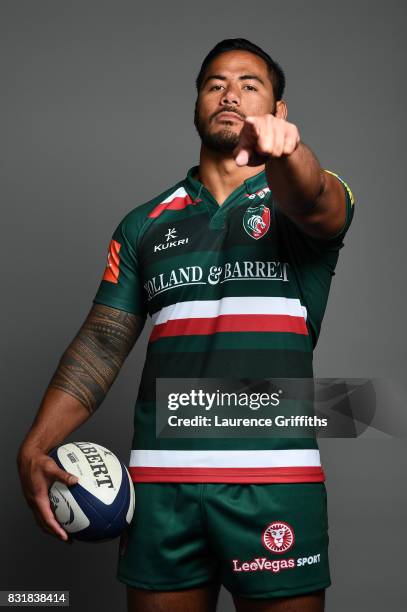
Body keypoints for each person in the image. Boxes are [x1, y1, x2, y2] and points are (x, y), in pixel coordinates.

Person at [17, 38, 355, 612]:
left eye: (251, 85)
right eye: (215, 83)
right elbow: (102, 343)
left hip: (275, 484)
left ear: (279, 113)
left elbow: (316, 196)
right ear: (197, 103)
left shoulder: (304, 199)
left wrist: (290, 152)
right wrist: (36, 444)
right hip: (158, 488)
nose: (231, 93)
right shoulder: (143, 223)